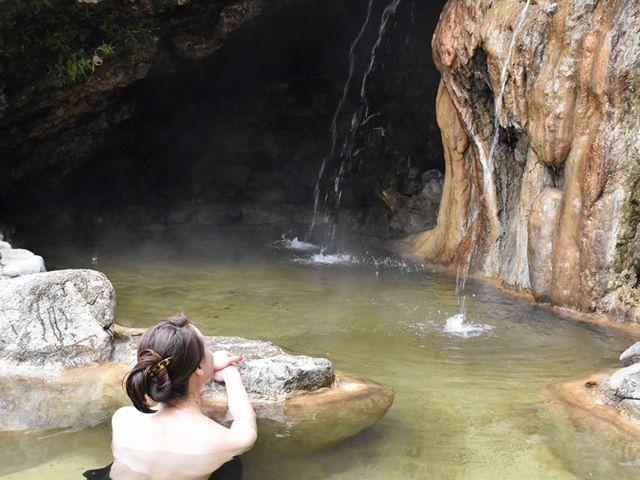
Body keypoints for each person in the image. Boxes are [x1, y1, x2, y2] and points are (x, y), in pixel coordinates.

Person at [83, 314, 257, 480]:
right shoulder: (225, 441)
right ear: (198, 368)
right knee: (233, 464)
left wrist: (205, 365)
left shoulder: (123, 419)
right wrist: (230, 374)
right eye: (208, 349)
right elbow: (243, 421)